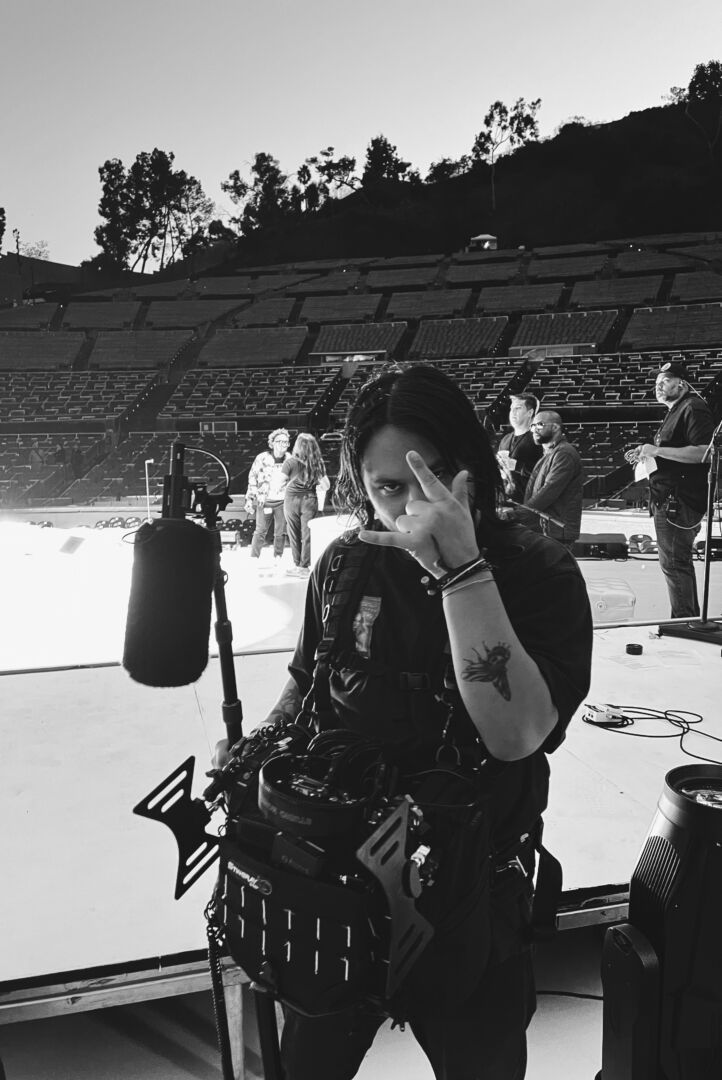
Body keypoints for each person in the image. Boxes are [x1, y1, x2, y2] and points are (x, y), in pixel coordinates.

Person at [216, 365, 592, 1079]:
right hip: (337, 890)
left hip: (470, 900)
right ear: (362, 485)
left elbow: (515, 734)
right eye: (390, 487)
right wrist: (263, 740)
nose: (416, 505)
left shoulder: (537, 571)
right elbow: (308, 681)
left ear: (474, 464)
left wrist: (461, 572)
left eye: (437, 476)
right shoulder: (345, 563)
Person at [624, 360, 715, 618]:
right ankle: (686, 619)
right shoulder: (677, 410)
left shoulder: (693, 407)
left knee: (674, 563)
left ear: (682, 384)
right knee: (675, 563)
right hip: (670, 497)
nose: (659, 386)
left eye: (665, 381)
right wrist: (647, 452)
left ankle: (684, 621)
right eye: (657, 382)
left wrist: (657, 451)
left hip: (678, 500)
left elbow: (705, 453)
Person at [513, 410, 584, 550]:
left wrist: (517, 514)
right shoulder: (551, 453)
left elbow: (548, 492)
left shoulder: (564, 453)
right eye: (532, 426)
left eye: (540, 425)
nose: (534, 430)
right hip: (547, 529)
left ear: (556, 427)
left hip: (556, 531)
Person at [282, 432, 329, 577]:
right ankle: (304, 567)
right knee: (307, 534)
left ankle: (297, 565)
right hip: (309, 499)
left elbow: (279, 482)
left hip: (291, 500)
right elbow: (326, 485)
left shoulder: (289, 462)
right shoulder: (317, 463)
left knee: (294, 533)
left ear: (297, 446)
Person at [245, 428, 292, 567]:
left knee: (280, 532)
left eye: (285, 442)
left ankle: (278, 556)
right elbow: (252, 478)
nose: (282, 444)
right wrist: (249, 499)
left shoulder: (291, 459)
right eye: (279, 441)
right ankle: (254, 557)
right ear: (272, 443)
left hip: (283, 501)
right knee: (260, 530)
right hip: (264, 500)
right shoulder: (262, 458)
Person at [496, 393, 542, 502]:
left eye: (518, 408)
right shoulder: (505, 439)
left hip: (531, 502)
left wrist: (517, 466)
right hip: (507, 500)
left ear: (530, 413)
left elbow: (545, 473)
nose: (512, 412)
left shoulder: (538, 439)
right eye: (511, 408)